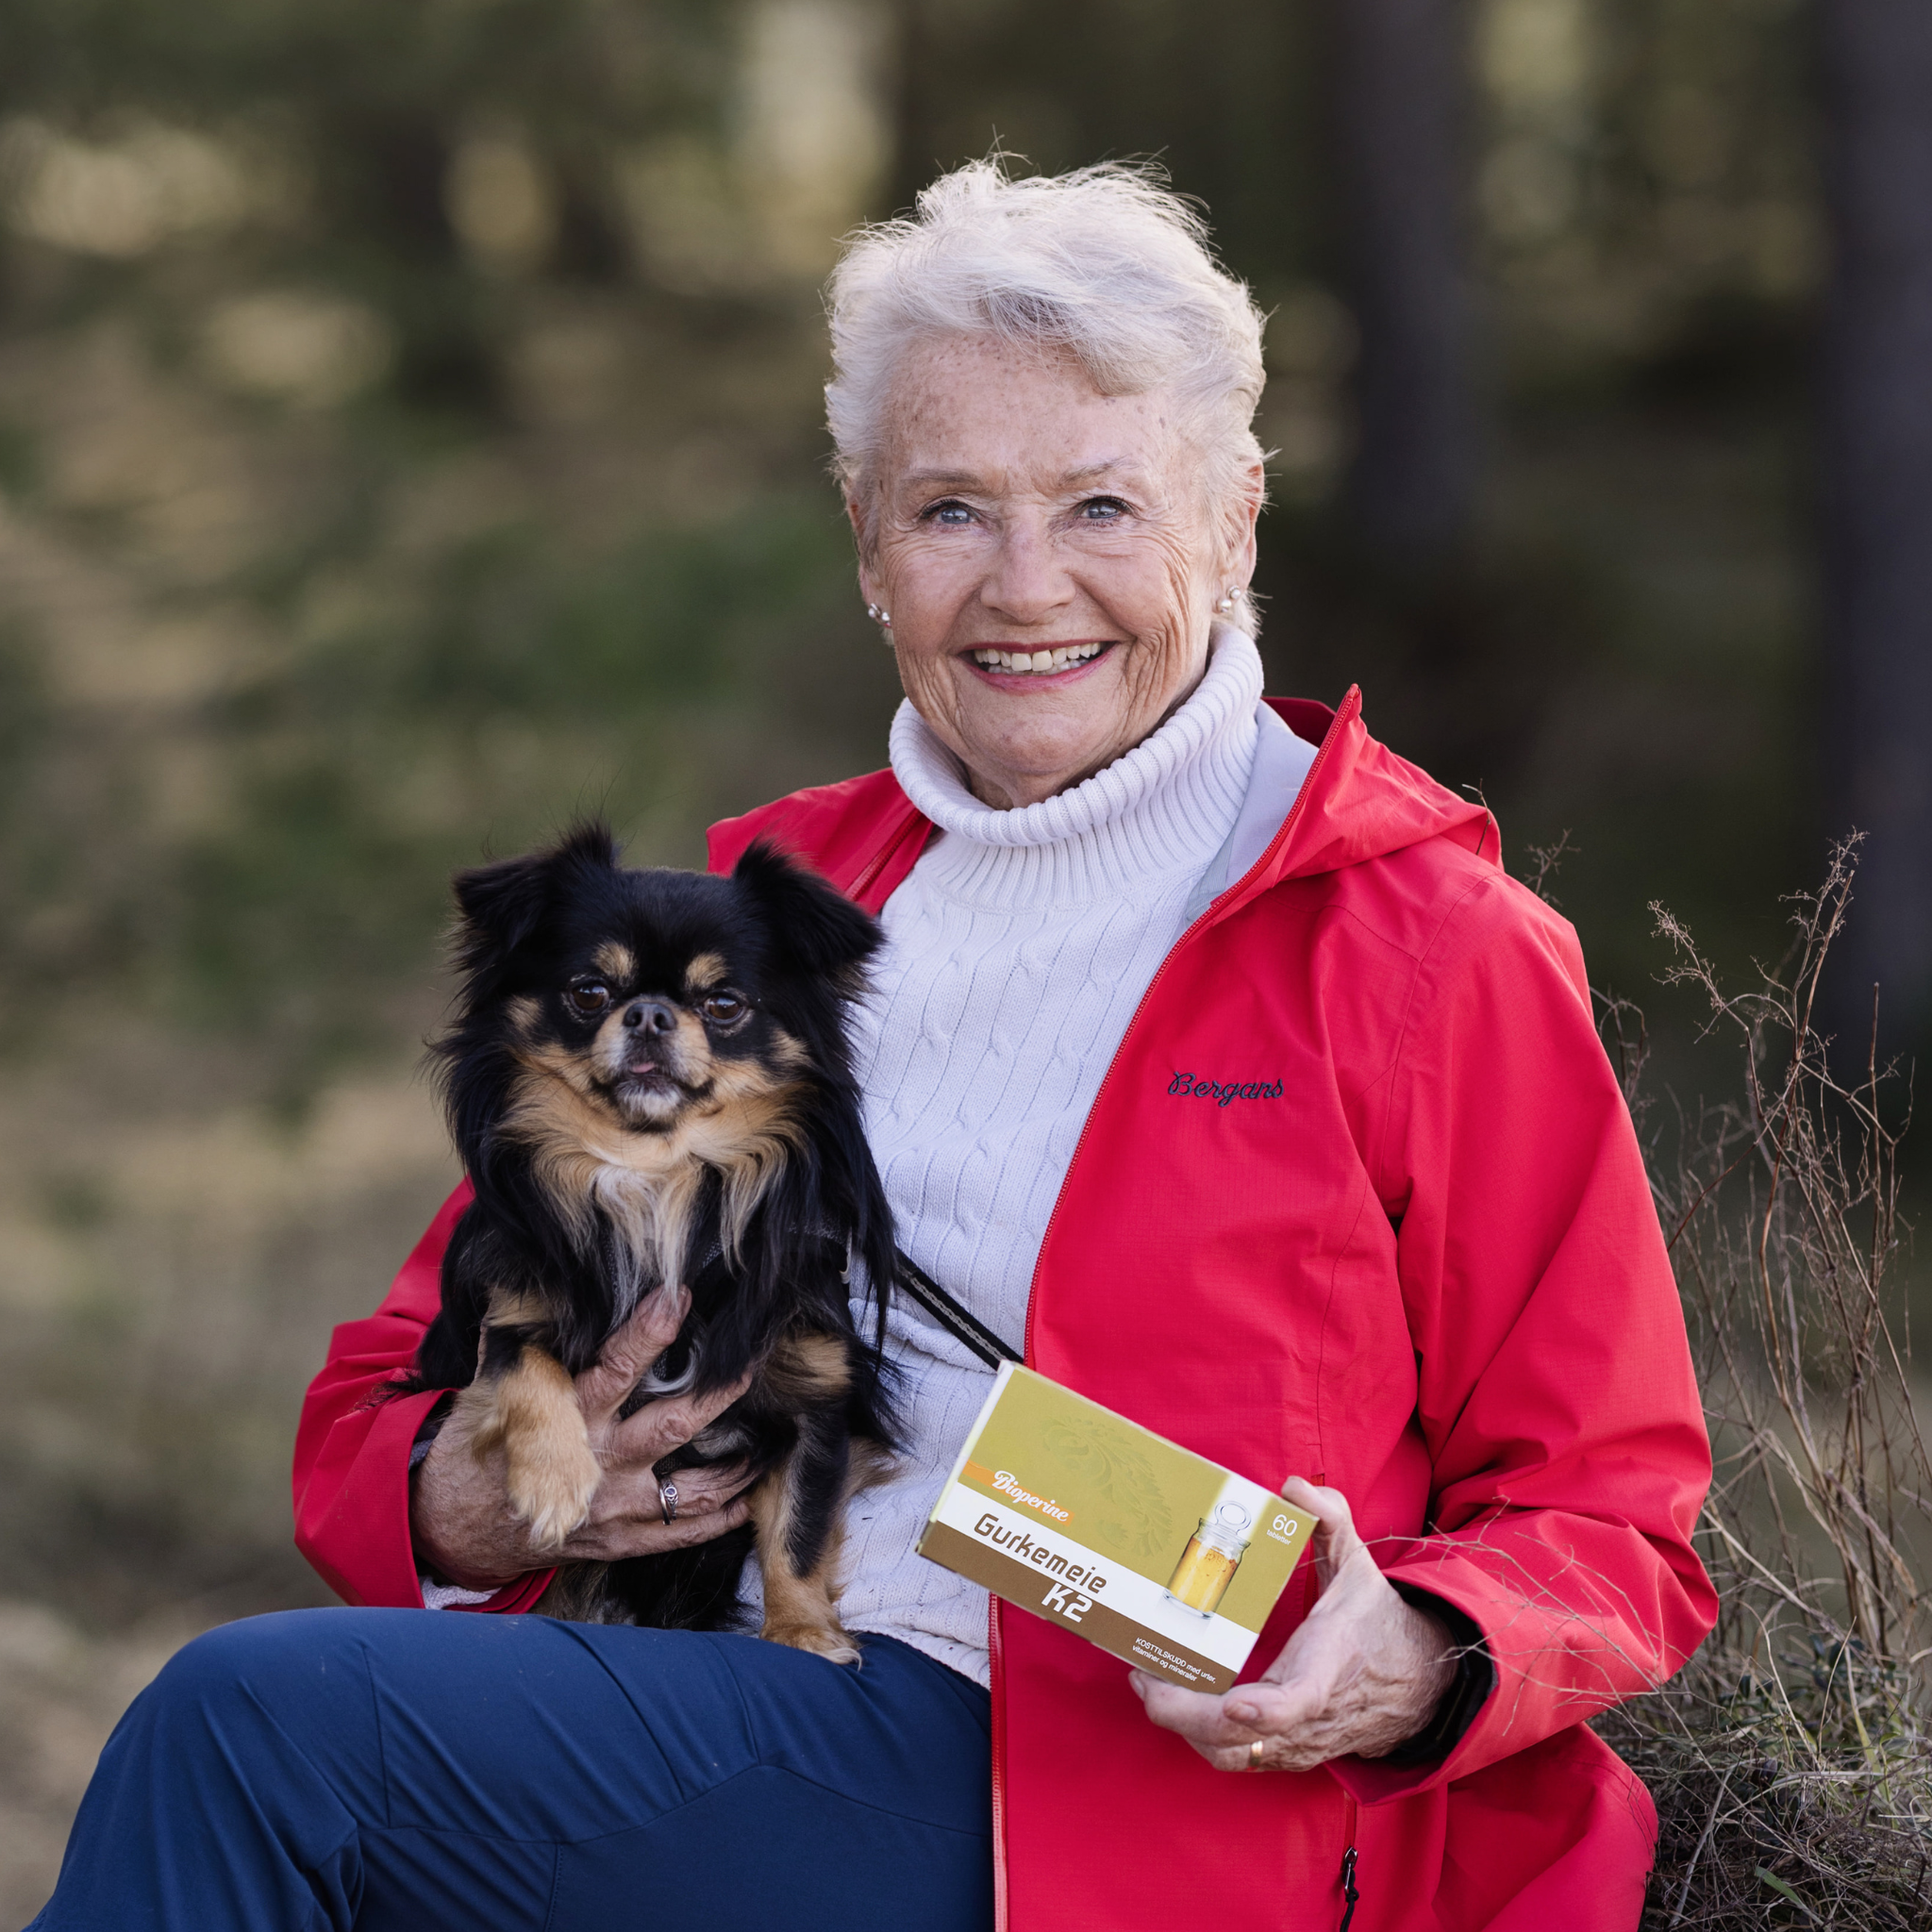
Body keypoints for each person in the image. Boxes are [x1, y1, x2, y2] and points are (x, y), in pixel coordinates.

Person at [31, 161, 1715, 1932]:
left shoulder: (1425, 949)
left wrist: (1421, 1645)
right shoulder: (770, 907)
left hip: (1127, 1804)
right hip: (730, 1686)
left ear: (1235, 519)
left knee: (253, 1734)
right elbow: (395, 1381)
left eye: (1102, 507)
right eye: (951, 513)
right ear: (863, 540)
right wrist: (476, 1499)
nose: (1024, 585)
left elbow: (1614, 1511)